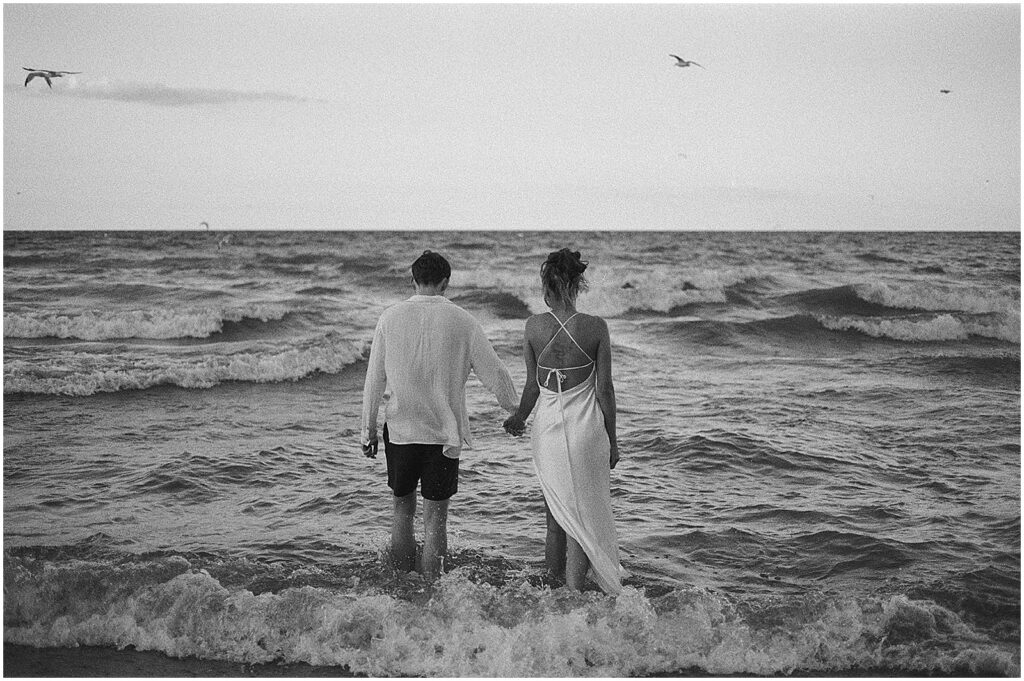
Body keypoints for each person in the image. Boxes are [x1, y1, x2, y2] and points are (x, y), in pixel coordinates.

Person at [361, 249, 518, 580]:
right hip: (443, 435)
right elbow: (496, 373)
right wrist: (515, 410)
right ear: (446, 282)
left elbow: (374, 379)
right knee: (436, 518)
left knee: (401, 511)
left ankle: (401, 584)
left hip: (401, 430)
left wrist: (368, 431)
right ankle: (432, 590)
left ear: (413, 280)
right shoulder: (463, 320)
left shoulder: (389, 317)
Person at [503, 248, 624, 594]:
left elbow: (532, 386)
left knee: (556, 516)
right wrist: (614, 441)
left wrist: (519, 418)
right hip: (586, 428)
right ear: (577, 284)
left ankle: (553, 590)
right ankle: (574, 595)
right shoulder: (595, 327)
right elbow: (605, 389)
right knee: (581, 518)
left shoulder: (533, 327)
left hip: (549, 430)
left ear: (547, 286)